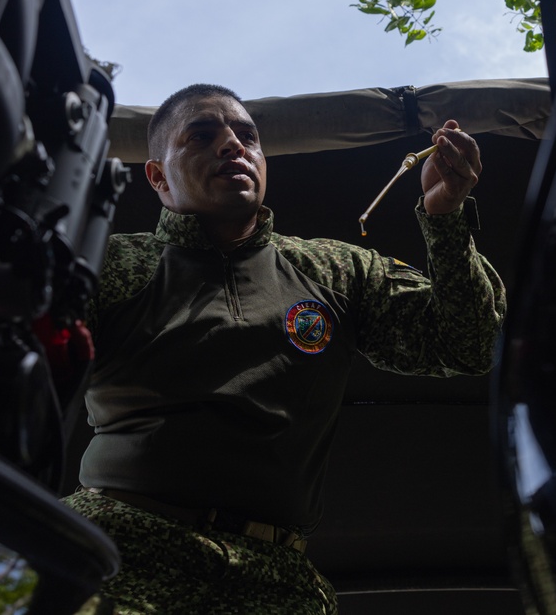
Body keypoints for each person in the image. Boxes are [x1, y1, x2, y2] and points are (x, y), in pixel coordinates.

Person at [61, 83, 506, 614]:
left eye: (246, 135)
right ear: (157, 176)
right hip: (117, 553)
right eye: (202, 135)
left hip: (273, 581)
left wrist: (447, 221)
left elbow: (467, 345)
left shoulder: (335, 271)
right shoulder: (110, 265)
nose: (232, 145)